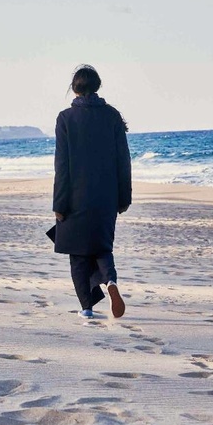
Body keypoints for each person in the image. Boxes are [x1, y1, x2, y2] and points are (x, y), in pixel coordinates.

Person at [53, 64, 132, 319]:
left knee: (78, 254)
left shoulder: (65, 118)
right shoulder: (112, 116)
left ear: (74, 88)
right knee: (102, 247)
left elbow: (62, 166)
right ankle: (110, 282)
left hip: (74, 198)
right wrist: (124, 198)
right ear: (97, 86)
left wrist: (59, 205)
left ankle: (87, 308)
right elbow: (124, 160)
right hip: (106, 197)